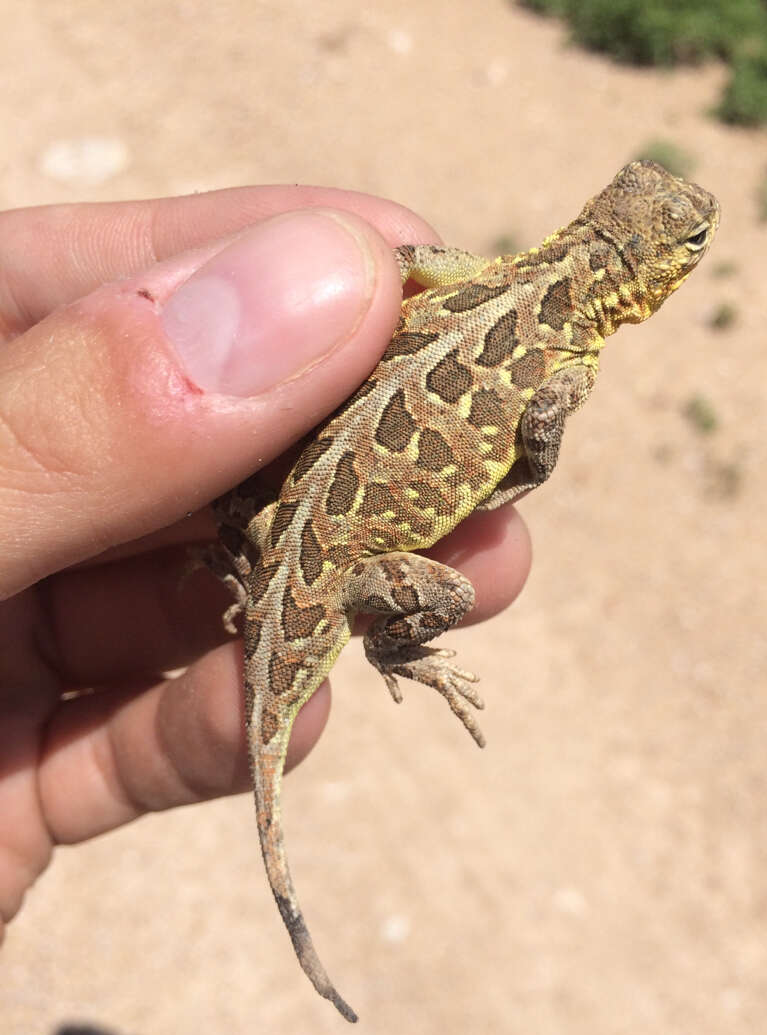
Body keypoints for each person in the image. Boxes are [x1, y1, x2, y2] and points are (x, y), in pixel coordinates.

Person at [0, 185, 531, 940]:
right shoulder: (563, 355)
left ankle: (240, 562)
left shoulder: (482, 275)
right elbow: (538, 435)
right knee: (452, 591)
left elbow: (407, 260)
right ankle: (390, 645)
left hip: (282, 521)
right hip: (345, 563)